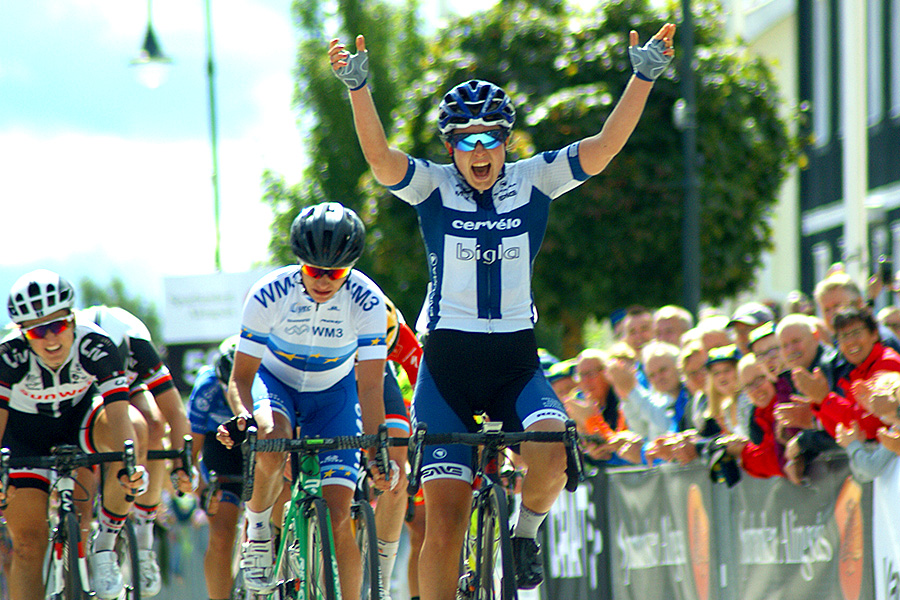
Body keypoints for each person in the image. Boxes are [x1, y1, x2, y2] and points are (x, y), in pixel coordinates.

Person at [329, 20, 675, 599]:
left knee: (553, 450)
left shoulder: (535, 179)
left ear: (508, 141)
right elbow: (384, 162)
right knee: (444, 524)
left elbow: (604, 148)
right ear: (449, 148)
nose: (479, 149)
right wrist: (358, 91)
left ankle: (526, 532)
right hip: (448, 366)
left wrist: (640, 78)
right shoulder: (435, 186)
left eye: (491, 136)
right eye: (464, 139)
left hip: (516, 358)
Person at [216, 202, 395, 600]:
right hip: (275, 383)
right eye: (314, 271)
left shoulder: (367, 301)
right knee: (272, 441)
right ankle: (259, 529)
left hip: (334, 394)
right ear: (300, 263)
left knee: (337, 520)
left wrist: (375, 449)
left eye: (335, 273)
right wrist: (243, 418)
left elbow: (369, 388)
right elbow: (241, 378)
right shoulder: (269, 293)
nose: (324, 281)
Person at [0, 270, 149, 600]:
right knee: (27, 546)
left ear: (72, 318)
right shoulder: (8, 356)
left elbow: (120, 414)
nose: (51, 338)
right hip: (23, 436)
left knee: (136, 428)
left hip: (80, 425)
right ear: (22, 332)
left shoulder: (96, 345)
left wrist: (128, 467)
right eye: (38, 331)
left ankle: (106, 543)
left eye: (59, 325)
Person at [78, 304, 193, 596]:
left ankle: (143, 538)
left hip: (129, 392)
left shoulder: (137, 344)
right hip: (82, 401)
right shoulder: (79, 344)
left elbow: (176, 413)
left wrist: (182, 464)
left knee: (153, 425)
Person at [187, 336, 245, 600]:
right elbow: (191, 451)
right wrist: (199, 487)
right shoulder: (207, 387)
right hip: (221, 450)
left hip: (260, 444)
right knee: (222, 535)